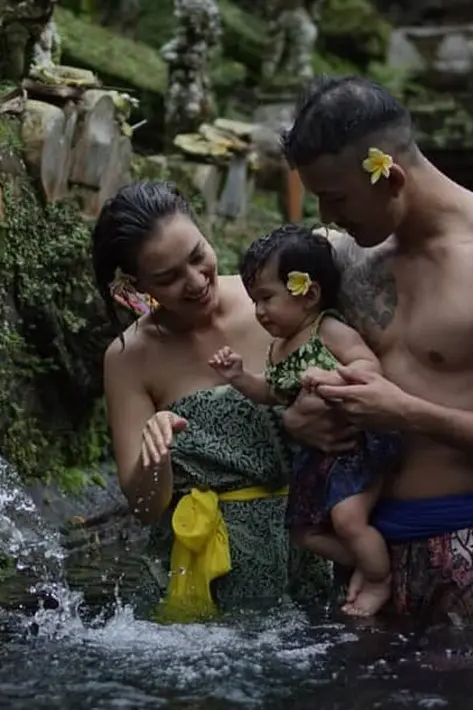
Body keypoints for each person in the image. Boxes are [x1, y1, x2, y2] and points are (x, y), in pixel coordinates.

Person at [278, 75, 473, 629]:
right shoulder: (349, 257)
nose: (326, 217)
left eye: (336, 198)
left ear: (390, 177)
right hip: (364, 552)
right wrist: (296, 415)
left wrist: (407, 413)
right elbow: (268, 333)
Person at [92, 180, 332, 623]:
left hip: (312, 542)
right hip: (208, 574)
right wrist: (157, 455)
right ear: (135, 284)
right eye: (168, 278)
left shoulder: (275, 303)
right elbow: (145, 509)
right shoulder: (130, 358)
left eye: (197, 255)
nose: (196, 281)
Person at [206, 223, 400, 617]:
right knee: (302, 531)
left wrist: (333, 378)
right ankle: (369, 559)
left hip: (356, 447)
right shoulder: (279, 346)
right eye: (254, 301)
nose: (259, 311)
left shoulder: (327, 330)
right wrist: (239, 377)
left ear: (308, 294)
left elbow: (370, 367)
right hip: (320, 455)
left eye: (266, 298)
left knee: (347, 520)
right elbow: (272, 393)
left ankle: (380, 577)